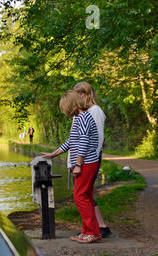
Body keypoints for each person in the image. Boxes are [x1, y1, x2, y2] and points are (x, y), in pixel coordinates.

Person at [42, 90, 101, 243]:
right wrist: (53, 154)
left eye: (65, 107)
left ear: (71, 105)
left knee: (80, 197)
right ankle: (88, 231)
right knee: (85, 197)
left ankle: (93, 233)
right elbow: (71, 141)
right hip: (86, 163)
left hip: (87, 163)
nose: (65, 111)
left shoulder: (82, 118)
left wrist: (78, 164)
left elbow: (83, 142)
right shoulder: (82, 117)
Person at [73, 81, 111, 238]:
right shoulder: (86, 111)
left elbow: (93, 137)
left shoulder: (95, 111)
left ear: (85, 94)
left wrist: (85, 161)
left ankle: (95, 229)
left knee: (82, 195)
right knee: (85, 194)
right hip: (87, 158)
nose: (76, 98)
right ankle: (97, 227)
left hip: (89, 158)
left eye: (79, 94)